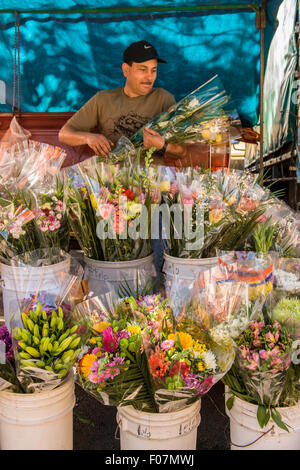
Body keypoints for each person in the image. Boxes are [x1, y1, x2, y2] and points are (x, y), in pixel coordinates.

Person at [58, 39, 198, 164]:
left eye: (153, 70)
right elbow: (64, 134)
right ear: (126, 70)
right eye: (143, 70)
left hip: (151, 186)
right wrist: (89, 138)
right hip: (111, 185)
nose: (149, 77)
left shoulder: (164, 99)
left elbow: (181, 151)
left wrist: (162, 146)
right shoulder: (103, 99)